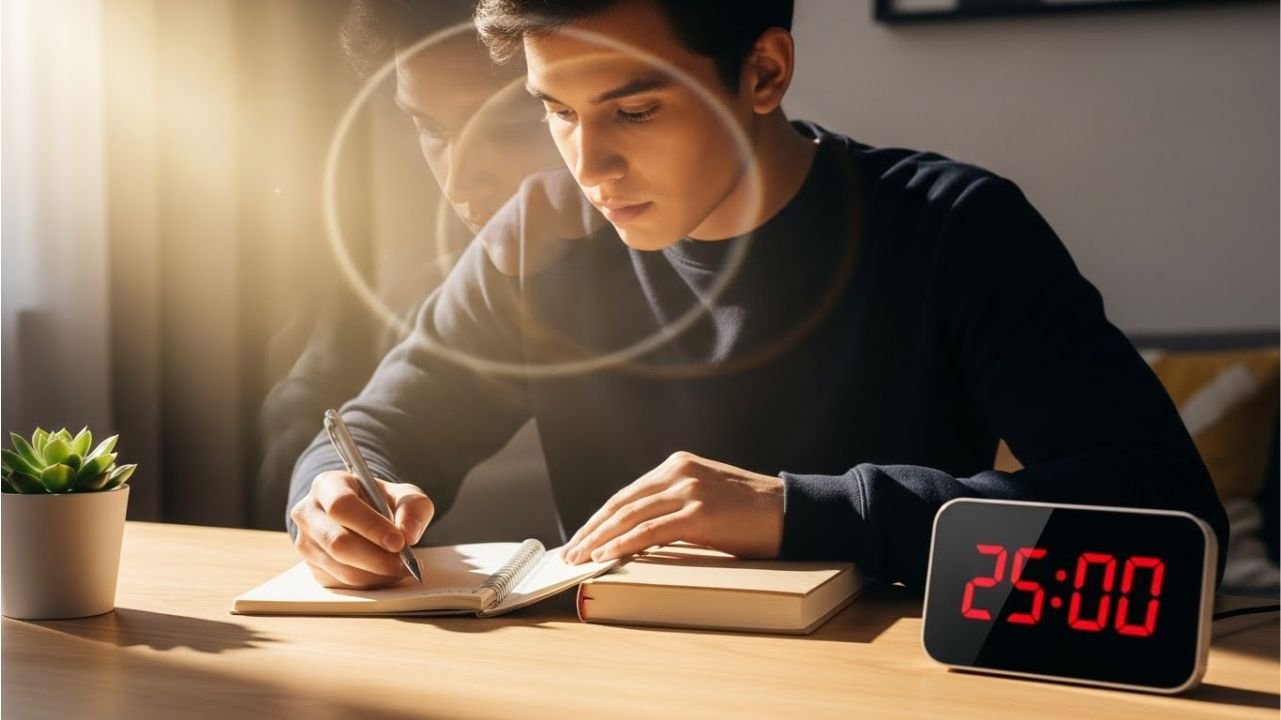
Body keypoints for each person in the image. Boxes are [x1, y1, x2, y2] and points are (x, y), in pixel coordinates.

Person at [286, 0, 1229, 591]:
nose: (589, 165)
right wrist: (332, 499)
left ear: (765, 72)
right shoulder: (545, 241)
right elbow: (376, 430)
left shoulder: (953, 230)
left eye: (634, 110)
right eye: (557, 113)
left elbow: (1164, 511)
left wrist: (799, 511)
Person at [256, 0, 564, 529]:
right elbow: (377, 430)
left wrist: (764, 511)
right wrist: (336, 504)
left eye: (512, 126)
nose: (461, 183)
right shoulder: (513, 271)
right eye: (433, 130)